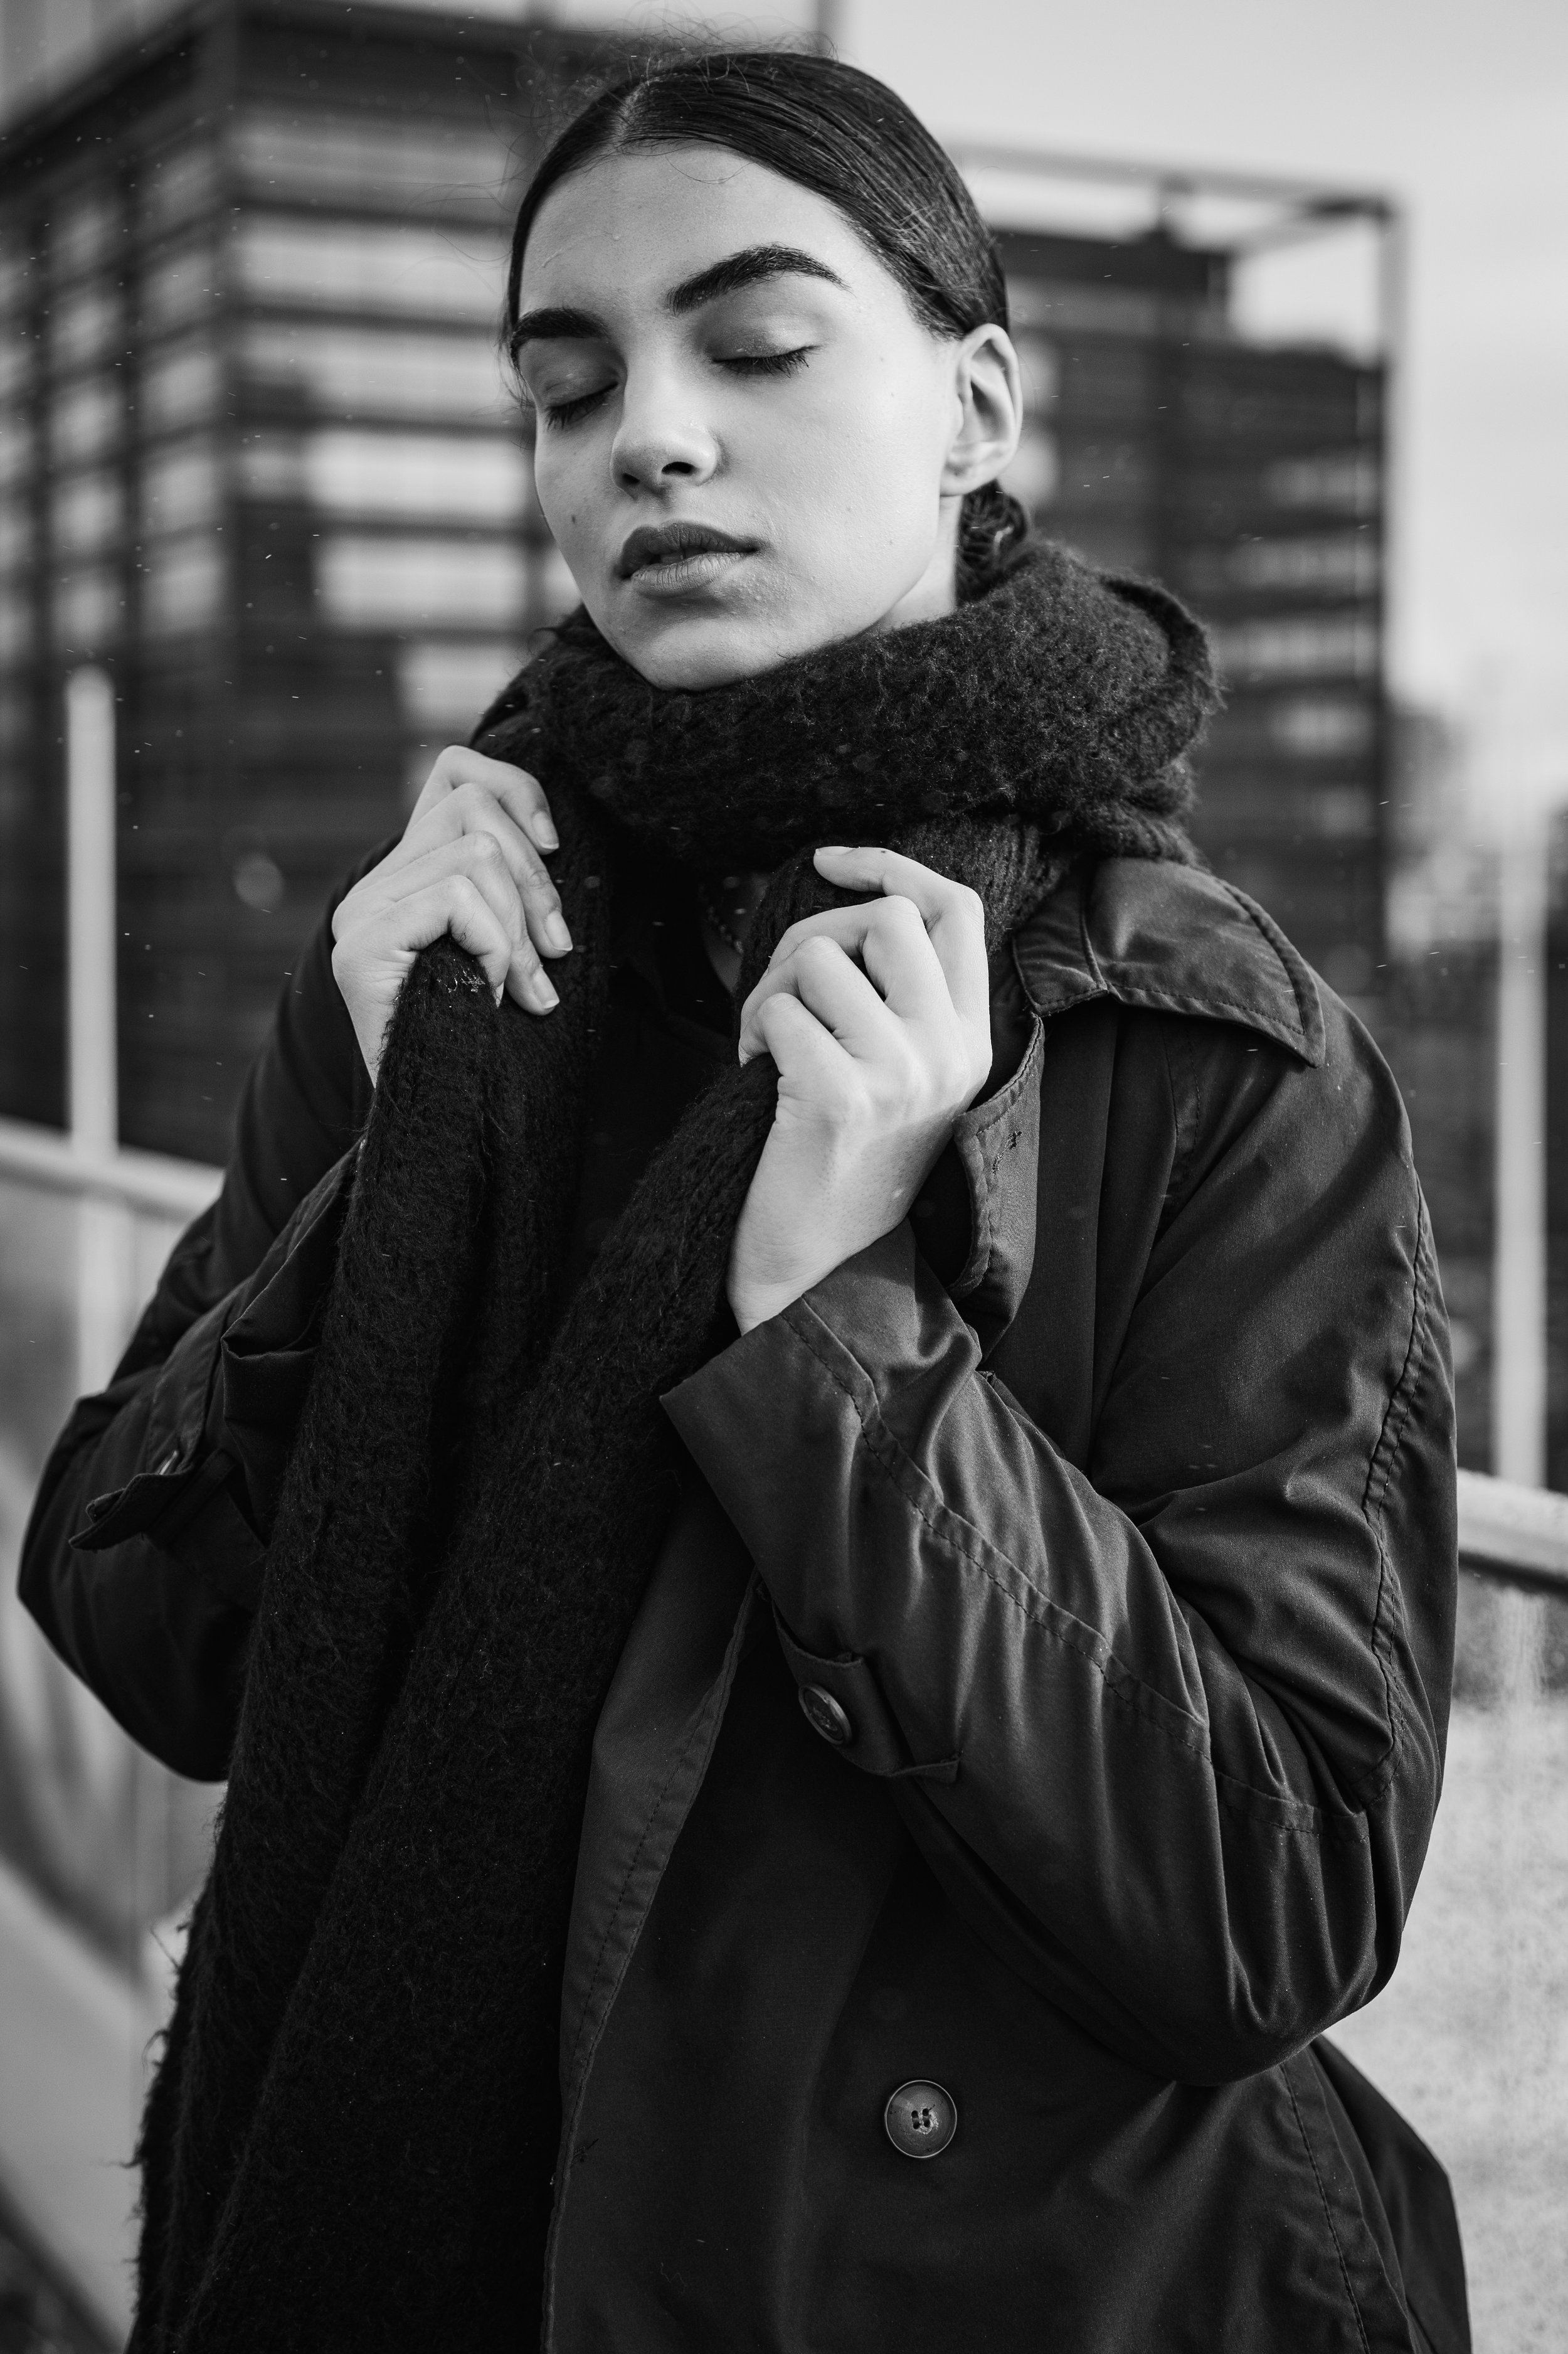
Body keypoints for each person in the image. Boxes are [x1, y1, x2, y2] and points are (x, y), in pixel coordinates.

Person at [20, 51, 1466, 2354]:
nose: (652, 441)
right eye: (567, 386)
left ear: (974, 408)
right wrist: (378, 1160)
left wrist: (840, 1331)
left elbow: (1269, 1899)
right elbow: (144, 1625)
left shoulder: (1203, 1050)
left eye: (759, 346)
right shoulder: (450, 954)